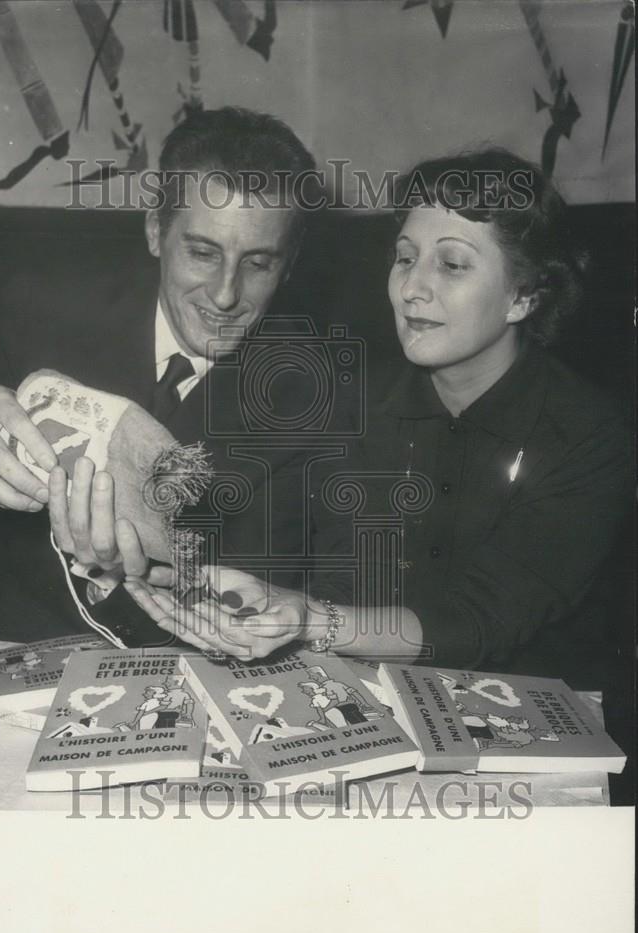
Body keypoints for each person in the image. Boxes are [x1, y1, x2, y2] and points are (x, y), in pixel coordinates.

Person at [122, 148, 631, 693]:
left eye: (452, 265)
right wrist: (195, 580)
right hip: (367, 696)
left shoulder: (591, 437)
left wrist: (310, 619)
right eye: (406, 258)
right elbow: (312, 565)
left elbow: (483, 619)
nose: (412, 287)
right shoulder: (351, 399)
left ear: (523, 297)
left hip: (539, 714)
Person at [0, 107, 323, 664]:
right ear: (154, 232)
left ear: (287, 269)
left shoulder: (311, 401)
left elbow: (253, 611)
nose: (224, 294)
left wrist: (127, 573)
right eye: (202, 253)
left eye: (258, 264)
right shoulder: (35, 309)